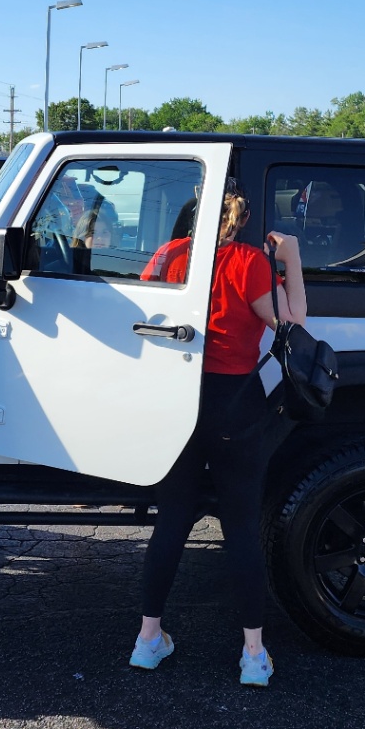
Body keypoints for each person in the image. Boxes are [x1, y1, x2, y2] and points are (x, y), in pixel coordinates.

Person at [129, 182, 307, 688]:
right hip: (236, 406)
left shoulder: (169, 255)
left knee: (172, 523)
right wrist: (291, 258)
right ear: (243, 219)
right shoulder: (251, 262)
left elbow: (139, 317)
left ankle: (148, 641)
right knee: (242, 529)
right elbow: (292, 319)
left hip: (177, 404)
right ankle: (253, 654)